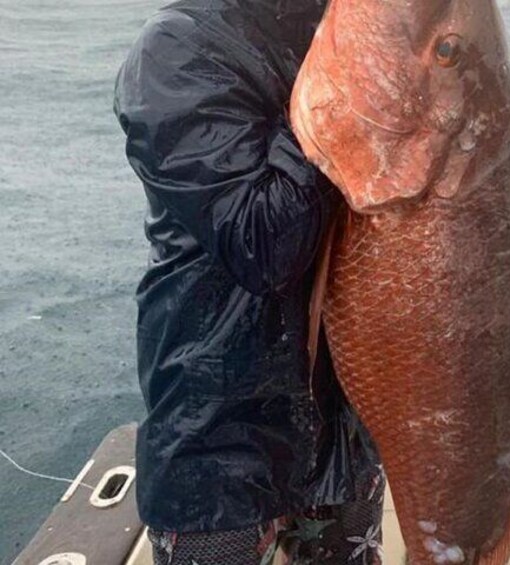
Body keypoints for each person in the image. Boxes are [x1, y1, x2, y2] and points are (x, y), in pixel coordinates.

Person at [113, 0, 384, 563]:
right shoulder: (178, 48)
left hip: (344, 425)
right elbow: (260, 242)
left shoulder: (350, 26)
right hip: (217, 439)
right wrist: (346, 82)